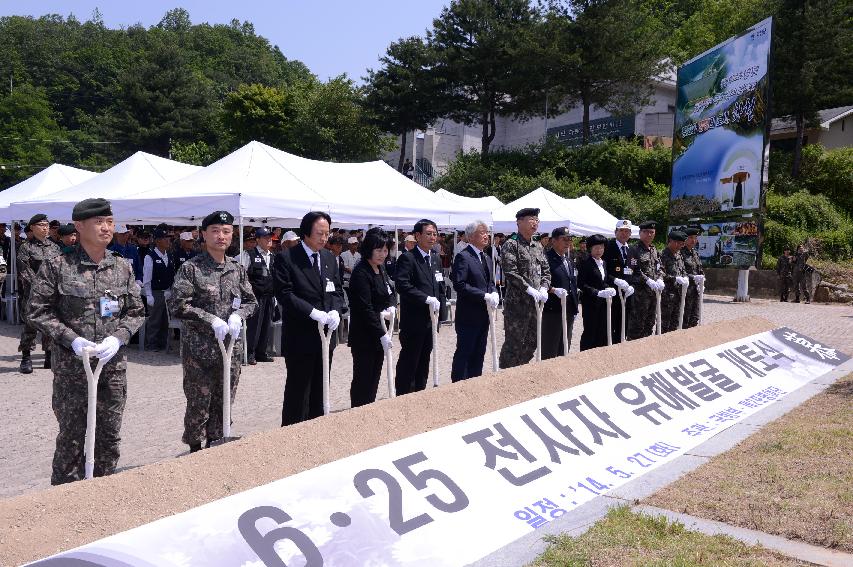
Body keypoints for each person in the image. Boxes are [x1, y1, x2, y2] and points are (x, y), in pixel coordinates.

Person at [28, 198, 145, 484]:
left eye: (109, 222)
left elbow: (136, 311)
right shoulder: (58, 266)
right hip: (72, 370)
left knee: (109, 436)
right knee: (71, 436)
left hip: (111, 368)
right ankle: (65, 504)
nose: (106, 228)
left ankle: (103, 499)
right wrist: (72, 340)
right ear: (79, 226)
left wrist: (119, 338)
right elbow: (37, 311)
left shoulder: (122, 267)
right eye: (98, 222)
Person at [168, 211, 256, 452]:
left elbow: (251, 301)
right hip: (200, 350)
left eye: (226, 231)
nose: (221, 236)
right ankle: (195, 452)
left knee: (225, 399)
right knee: (199, 403)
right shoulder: (191, 269)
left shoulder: (237, 269)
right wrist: (210, 319)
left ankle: (218, 447)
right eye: (215, 231)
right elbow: (178, 305)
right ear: (203, 234)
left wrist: (239, 315)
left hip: (230, 348)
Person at [273, 211, 344, 425]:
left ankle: (318, 432)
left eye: (327, 234)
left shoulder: (329, 258)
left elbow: (337, 290)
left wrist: (335, 311)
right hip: (300, 336)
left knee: (321, 390)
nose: (324, 238)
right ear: (306, 233)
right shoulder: (287, 258)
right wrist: (312, 312)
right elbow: (284, 293)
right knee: (298, 392)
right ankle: (292, 436)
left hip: (325, 337)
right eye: (319, 233)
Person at [394, 219, 447, 394]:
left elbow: (439, 286)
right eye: (429, 234)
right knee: (410, 361)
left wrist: (442, 314)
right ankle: (404, 395)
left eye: (435, 234)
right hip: (414, 320)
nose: (433, 237)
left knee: (424, 361)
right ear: (417, 236)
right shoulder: (408, 258)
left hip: (431, 320)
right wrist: (425, 298)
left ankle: (420, 393)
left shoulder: (435, 259)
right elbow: (402, 285)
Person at [348, 229, 395, 406]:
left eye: (385, 250)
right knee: (363, 379)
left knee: (375, 377)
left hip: (380, 332)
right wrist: (380, 333)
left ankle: (369, 408)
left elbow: (389, 290)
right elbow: (364, 307)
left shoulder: (381, 268)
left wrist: (391, 305)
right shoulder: (361, 272)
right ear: (369, 249)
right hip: (365, 335)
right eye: (379, 250)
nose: (383, 254)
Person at [499, 208, 551, 369]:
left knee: (532, 341)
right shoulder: (511, 244)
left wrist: (544, 287)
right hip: (517, 305)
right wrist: (528, 288)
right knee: (514, 342)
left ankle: (521, 369)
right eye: (531, 219)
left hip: (535, 305)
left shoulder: (538, 246)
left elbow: (546, 271)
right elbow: (510, 272)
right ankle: (507, 374)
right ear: (519, 222)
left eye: (537, 220)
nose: (535, 223)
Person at [450, 220, 498, 382]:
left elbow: (490, 282)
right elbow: (460, 284)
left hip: (484, 315)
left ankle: (475, 385)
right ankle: (458, 386)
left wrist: (494, 292)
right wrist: (483, 295)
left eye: (487, 232)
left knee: (479, 353)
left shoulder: (486, 258)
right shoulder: (463, 257)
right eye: (481, 232)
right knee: (465, 352)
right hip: (469, 315)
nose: (486, 236)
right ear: (470, 237)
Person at [17, 213, 62, 373]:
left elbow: (59, 269)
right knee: (30, 326)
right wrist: (41, 286)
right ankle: (26, 357)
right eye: (41, 225)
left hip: (51, 295)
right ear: (32, 228)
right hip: (33, 295)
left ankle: (49, 356)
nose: (45, 228)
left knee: (49, 324)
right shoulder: (26, 248)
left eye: (47, 225)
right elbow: (25, 271)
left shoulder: (55, 247)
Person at [542, 226, 580, 358]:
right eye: (564, 239)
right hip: (553, 310)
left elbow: (572, 283)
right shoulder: (546, 258)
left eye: (569, 240)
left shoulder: (568, 260)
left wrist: (575, 306)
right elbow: (538, 281)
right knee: (550, 348)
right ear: (553, 241)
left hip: (568, 309)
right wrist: (552, 290)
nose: (568, 243)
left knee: (564, 347)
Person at [241, 226, 276, 364]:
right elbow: (242, 275)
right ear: (257, 239)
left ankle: (262, 352)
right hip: (255, 297)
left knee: (266, 324)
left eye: (270, 237)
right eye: (265, 237)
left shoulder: (272, 256)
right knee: (254, 325)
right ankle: (250, 353)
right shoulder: (248, 254)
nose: (269, 240)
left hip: (269, 295)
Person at [578, 234, 617, 350]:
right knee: (590, 332)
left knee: (602, 331)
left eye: (601, 247)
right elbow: (581, 283)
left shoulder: (603, 262)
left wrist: (609, 288)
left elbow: (602, 280)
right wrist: (596, 292)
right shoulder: (586, 262)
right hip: (590, 303)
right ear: (590, 248)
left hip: (603, 303)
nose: (599, 250)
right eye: (596, 248)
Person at [626, 220, 664, 340]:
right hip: (640, 295)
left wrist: (660, 278)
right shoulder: (634, 249)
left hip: (653, 294)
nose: (649, 234)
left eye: (652, 232)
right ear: (640, 233)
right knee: (637, 326)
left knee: (649, 324)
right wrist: (647, 280)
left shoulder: (654, 249)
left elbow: (660, 267)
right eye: (646, 232)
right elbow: (631, 270)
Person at [602, 219, 634, 344]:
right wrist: (615, 280)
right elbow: (602, 271)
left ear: (630, 234)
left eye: (627, 231)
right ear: (615, 232)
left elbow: (633, 269)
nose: (624, 234)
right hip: (612, 294)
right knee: (610, 327)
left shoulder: (631, 249)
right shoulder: (608, 247)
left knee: (624, 326)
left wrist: (631, 285)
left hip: (627, 294)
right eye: (621, 231)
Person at [142, 228, 174, 351]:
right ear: (157, 241)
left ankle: (164, 343)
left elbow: (171, 274)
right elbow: (147, 278)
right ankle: (151, 344)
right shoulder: (150, 256)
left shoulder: (169, 255)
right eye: (165, 238)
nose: (168, 240)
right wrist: (148, 294)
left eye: (168, 238)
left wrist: (170, 289)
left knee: (166, 320)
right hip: (155, 292)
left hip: (166, 292)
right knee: (154, 320)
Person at [660, 230, 689, 333]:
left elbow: (683, 271)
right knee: (664, 326)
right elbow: (660, 274)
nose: (680, 246)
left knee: (675, 325)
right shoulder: (662, 255)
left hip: (678, 295)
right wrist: (674, 279)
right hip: (666, 297)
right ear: (672, 241)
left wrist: (686, 278)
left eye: (682, 244)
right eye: (679, 243)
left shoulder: (679, 255)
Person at [681, 227, 705, 328]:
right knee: (684, 319)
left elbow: (700, 269)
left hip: (696, 291)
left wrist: (702, 280)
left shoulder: (695, 253)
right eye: (691, 237)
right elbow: (680, 271)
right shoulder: (680, 253)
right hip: (685, 291)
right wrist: (693, 277)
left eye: (695, 238)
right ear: (685, 239)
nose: (693, 240)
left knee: (695, 318)